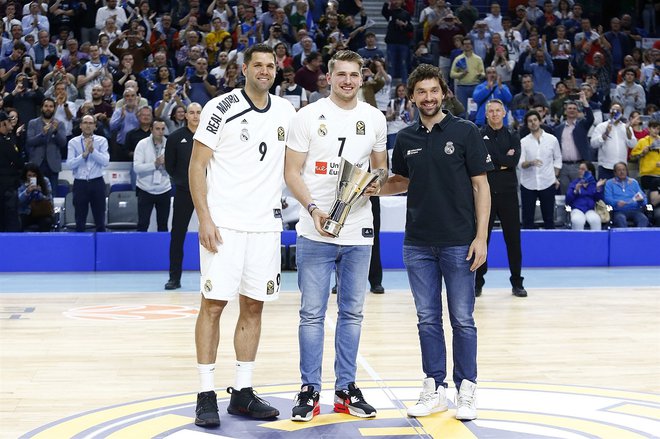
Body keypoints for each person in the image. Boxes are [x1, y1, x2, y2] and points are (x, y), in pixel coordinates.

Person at [189, 44, 296, 428]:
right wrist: (204, 219)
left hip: (266, 226)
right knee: (213, 305)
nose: (265, 71)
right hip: (225, 226)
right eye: (258, 65)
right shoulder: (220, 108)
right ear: (245, 68)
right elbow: (196, 166)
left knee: (254, 307)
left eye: (271, 65)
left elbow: (295, 168)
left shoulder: (287, 111)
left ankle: (243, 391)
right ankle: (205, 393)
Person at [379, 64, 492, 421]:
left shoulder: (465, 131)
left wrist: (481, 238)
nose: (428, 98)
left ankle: (467, 390)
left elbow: (481, 186)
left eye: (433, 91)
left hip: (460, 242)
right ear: (411, 96)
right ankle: (434, 387)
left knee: (462, 319)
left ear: (443, 93)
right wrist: (372, 189)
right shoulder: (407, 138)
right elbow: (402, 181)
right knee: (427, 319)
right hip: (417, 244)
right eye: (421, 92)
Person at [284, 50, 388, 422]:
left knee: (353, 313)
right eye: (341, 74)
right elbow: (292, 172)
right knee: (312, 314)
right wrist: (313, 209)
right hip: (315, 230)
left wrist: (375, 185)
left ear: (362, 78)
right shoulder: (307, 116)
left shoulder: (374, 118)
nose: (347, 80)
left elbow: (381, 171)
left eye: (354, 75)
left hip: (358, 230)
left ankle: (345, 389)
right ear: (328, 78)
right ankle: (309, 389)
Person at [476, 100, 526, 298]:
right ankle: (477, 282)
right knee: (481, 238)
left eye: (498, 110)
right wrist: (502, 160)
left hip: (508, 194)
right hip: (485, 195)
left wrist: (495, 160)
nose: (495, 114)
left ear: (504, 113)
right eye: (491, 111)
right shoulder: (479, 135)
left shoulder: (513, 135)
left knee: (513, 240)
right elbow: (483, 160)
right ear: (486, 114)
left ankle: (517, 282)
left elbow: (512, 161)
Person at [164, 103, 202, 290]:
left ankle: (215, 279)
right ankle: (174, 278)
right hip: (183, 192)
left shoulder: (212, 137)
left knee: (216, 234)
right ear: (185, 115)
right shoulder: (174, 138)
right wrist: (184, 181)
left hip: (208, 193)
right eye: (192, 113)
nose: (195, 116)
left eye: (198, 113)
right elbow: (170, 166)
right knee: (177, 236)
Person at [65, 115, 110, 232]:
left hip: (97, 182)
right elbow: (69, 164)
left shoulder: (102, 141)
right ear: (80, 126)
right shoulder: (73, 142)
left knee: (100, 219)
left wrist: (92, 151)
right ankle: (81, 247)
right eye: (85, 122)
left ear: (95, 126)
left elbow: (105, 162)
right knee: (80, 220)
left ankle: (101, 246)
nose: (88, 125)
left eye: (91, 123)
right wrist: (83, 155)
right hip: (80, 183)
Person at [519, 110, 562, 229]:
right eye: (530, 121)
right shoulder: (523, 142)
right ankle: (527, 245)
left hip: (547, 182)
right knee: (527, 220)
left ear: (540, 121)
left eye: (535, 120)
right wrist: (530, 163)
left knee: (549, 219)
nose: (533, 123)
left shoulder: (552, 139)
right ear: (527, 124)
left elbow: (558, 159)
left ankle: (550, 245)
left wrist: (555, 177)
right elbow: (520, 163)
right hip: (528, 184)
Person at [133, 119, 171, 232]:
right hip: (145, 189)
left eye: (163, 129)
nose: (160, 131)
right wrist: (154, 164)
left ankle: (163, 249)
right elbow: (137, 167)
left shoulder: (169, 144)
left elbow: (175, 168)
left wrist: (166, 166)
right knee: (143, 224)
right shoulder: (142, 144)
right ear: (151, 130)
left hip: (164, 189)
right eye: (157, 129)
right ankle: (140, 249)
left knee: (163, 225)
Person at [554, 93, 594, 194]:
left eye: (574, 108)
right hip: (563, 166)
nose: (572, 110)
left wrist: (584, 102)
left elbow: (590, 118)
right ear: (565, 111)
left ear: (577, 112)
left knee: (580, 192)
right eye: (569, 108)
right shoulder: (558, 129)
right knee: (565, 194)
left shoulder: (582, 125)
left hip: (578, 166)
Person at [25, 98, 67, 190]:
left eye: (51, 106)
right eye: (46, 106)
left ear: (54, 109)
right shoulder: (33, 123)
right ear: (41, 108)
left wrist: (55, 132)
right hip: (36, 165)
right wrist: (42, 134)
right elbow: (30, 141)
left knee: (53, 195)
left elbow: (63, 143)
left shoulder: (60, 124)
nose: (48, 108)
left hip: (53, 165)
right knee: (34, 194)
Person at [590, 103, 637, 180]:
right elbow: (593, 144)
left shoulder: (626, 127)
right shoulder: (601, 126)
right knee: (604, 190)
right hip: (606, 166)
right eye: (613, 110)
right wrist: (606, 134)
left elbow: (632, 145)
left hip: (622, 167)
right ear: (610, 112)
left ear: (622, 113)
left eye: (618, 111)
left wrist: (628, 130)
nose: (615, 112)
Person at [0, 111, 25, 232]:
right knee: (10, 220)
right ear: (3, 124)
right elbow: (18, 161)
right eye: (8, 122)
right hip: (7, 188)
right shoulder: (5, 142)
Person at [604, 162, 649, 228]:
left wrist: (642, 200)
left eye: (624, 170)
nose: (622, 172)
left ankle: (639, 237)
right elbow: (607, 198)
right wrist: (616, 202)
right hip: (619, 211)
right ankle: (625, 238)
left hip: (635, 210)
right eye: (619, 170)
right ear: (615, 172)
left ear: (627, 171)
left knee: (644, 219)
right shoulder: (610, 183)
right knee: (620, 219)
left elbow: (644, 199)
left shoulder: (634, 182)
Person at [565, 161, 606, 230]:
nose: (580, 171)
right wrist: (575, 191)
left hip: (590, 210)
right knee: (577, 220)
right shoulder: (574, 183)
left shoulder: (594, 184)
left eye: (583, 169)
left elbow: (599, 199)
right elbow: (567, 200)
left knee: (595, 220)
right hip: (577, 209)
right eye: (579, 169)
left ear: (589, 172)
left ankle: (596, 240)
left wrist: (598, 188)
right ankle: (578, 240)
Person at [17, 162, 54, 232]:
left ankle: (43, 242)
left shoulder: (45, 181)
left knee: (47, 222)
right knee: (18, 222)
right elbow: (18, 201)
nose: (32, 178)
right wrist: (27, 192)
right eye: (29, 175)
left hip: (42, 212)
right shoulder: (21, 182)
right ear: (25, 175)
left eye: (34, 175)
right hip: (25, 212)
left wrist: (39, 193)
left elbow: (50, 201)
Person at [630, 120, 660, 192]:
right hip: (647, 174)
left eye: (658, 129)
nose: (656, 130)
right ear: (649, 129)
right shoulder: (642, 141)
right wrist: (642, 153)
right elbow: (632, 157)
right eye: (654, 128)